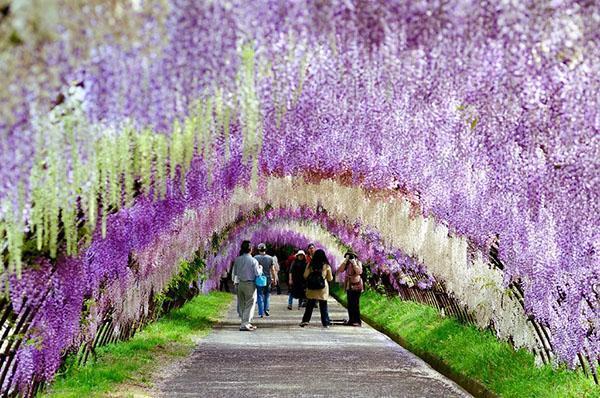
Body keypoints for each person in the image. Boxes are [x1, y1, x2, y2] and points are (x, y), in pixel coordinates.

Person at [232, 240, 262, 331]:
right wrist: (261, 268)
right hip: (250, 284)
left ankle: (244, 322)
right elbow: (257, 273)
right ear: (251, 249)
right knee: (250, 303)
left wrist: (235, 283)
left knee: (241, 303)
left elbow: (234, 273)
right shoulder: (253, 260)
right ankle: (245, 323)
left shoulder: (237, 259)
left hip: (240, 283)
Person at [300, 249, 333, 328]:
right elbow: (330, 278)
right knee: (323, 306)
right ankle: (325, 323)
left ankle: (305, 320)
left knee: (310, 305)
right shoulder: (326, 266)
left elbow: (305, 275)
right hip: (322, 288)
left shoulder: (310, 264)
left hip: (312, 287)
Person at [337, 250, 364, 326]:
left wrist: (354, 263)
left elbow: (359, 272)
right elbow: (341, 270)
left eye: (351, 256)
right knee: (350, 304)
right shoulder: (347, 263)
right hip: (349, 285)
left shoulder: (358, 262)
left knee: (355, 304)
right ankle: (351, 320)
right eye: (349, 256)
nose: (350, 258)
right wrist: (345, 260)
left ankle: (357, 321)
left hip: (356, 285)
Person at [254, 243, 277, 317]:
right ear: (265, 249)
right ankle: (266, 309)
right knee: (267, 295)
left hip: (259, 279)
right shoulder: (270, 258)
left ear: (258, 250)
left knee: (259, 294)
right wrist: (274, 279)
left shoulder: (255, 258)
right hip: (267, 279)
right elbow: (273, 270)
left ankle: (261, 313)